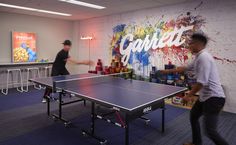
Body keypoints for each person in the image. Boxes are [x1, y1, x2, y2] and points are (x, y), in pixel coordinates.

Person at [161, 34, 228, 145]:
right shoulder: (198, 57)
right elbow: (186, 68)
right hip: (205, 97)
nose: (189, 46)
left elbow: (202, 82)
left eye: (190, 43)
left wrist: (188, 95)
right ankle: (196, 143)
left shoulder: (204, 58)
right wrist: (168, 71)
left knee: (210, 131)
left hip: (214, 98)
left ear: (198, 44)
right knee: (193, 116)